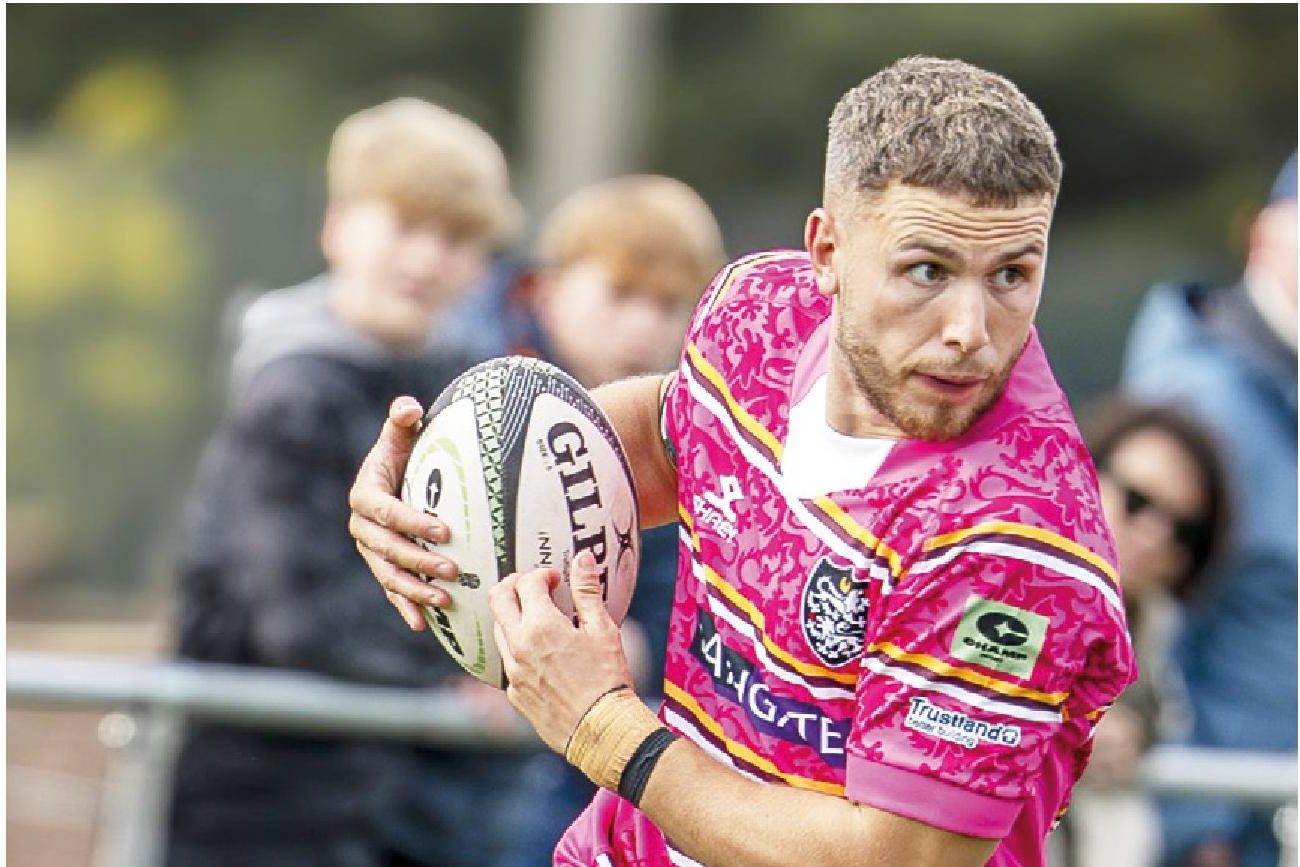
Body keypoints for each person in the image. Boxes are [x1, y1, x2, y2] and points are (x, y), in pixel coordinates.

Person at [349, 57, 1137, 867]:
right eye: (927, 271)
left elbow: (897, 858)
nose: (970, 327)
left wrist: (603, 726)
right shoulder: (760, 310)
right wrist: (434, 505)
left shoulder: (1014, 539)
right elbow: (666, 441)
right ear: (827, 252)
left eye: (1013, 274)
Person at [166, 97, 527, 867]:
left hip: (402, 800)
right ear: (337, 228)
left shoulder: (463, 385)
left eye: (457, 237)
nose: (428, 258)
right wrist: (464, 669)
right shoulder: (290, 392)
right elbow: (296, 617)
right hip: (263, 800)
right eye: (406, 226)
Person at [443, 174, 725, 866]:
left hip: (579, 776)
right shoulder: (458, 380)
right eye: (621, 294)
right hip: (438, 778)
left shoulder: (686, 436)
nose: (643, 325)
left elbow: (673, 606)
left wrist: (629, 649)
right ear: (550, 285)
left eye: (666, 304)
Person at [1120, 154, 1297, 867]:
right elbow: (1148, 618)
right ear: (1262, 237)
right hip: (1225, 827)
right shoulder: (1201, 398)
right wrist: (1201, 831)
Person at [1062, 396, 1232, 867]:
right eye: (1138, 501)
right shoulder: (1011, 578)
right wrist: (1063, 726)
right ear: (1086, 474)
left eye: (1185, 531)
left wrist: (1138, 728)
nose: (1156, 534)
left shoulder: (1161, 639)